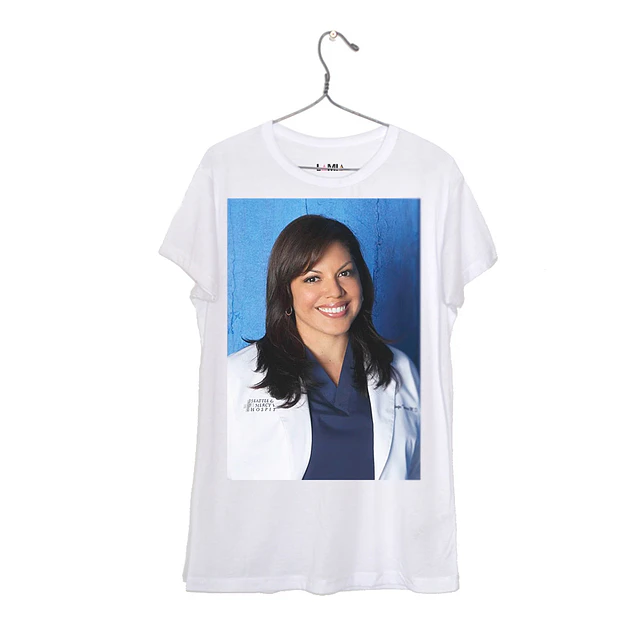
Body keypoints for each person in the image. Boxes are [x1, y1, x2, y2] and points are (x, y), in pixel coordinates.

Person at [227, 214, 420, 480]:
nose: (335, 291)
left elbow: (421, 480)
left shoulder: (401, 370)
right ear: (286, 292)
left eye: (345, 273)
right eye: (312, 278)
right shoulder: (235, 376)